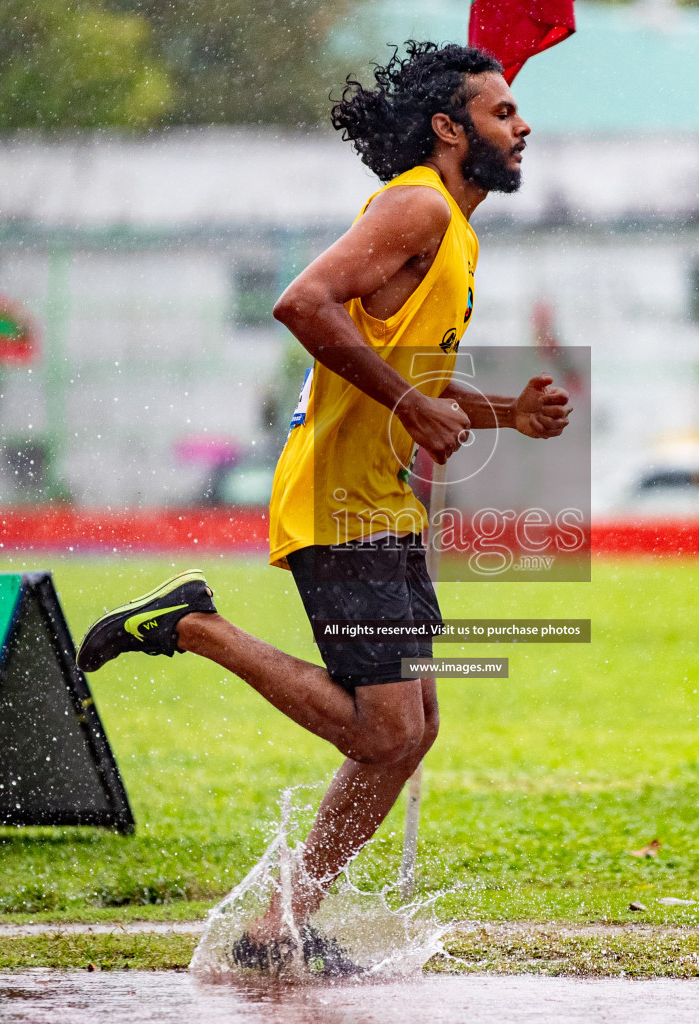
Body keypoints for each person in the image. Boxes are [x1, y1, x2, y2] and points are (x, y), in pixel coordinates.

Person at [75, 40, 572, 974]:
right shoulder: (418, 203)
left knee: (414, 729)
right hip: (340, 502)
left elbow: (419, 370)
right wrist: (408, 405)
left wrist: (507, 413)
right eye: (502, 113)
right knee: (386, 728)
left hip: (379, 501)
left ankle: (281, 924)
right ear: (448, 127)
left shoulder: (457, 229)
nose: (524, 124)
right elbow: (302, 303)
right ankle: (196, 628)